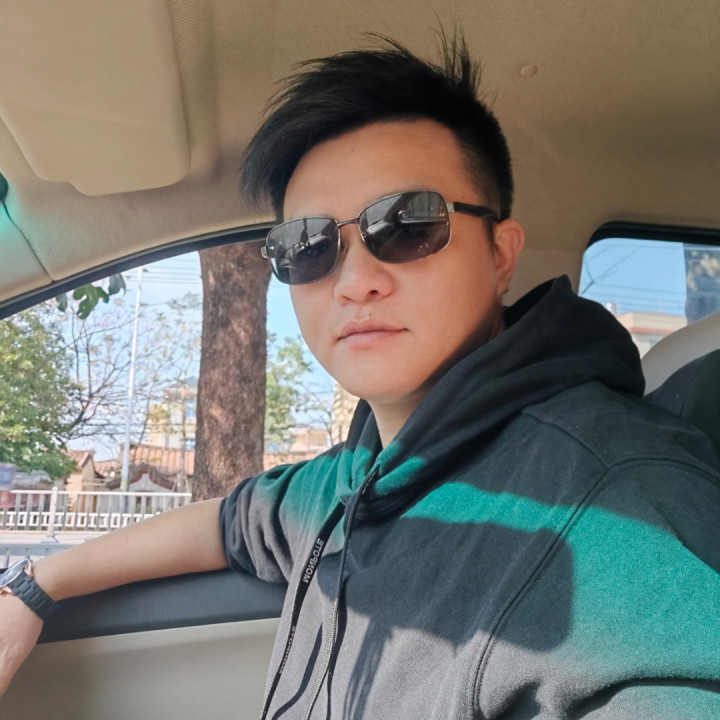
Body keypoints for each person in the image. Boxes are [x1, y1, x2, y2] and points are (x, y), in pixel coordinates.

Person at [2, 36, 720, 719]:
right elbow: (228, 523)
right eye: (308, 246)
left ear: (501, 255)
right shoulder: (366, 475)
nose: (354, 282)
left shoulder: (621, 513)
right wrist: (37, 584)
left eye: (407, 224)